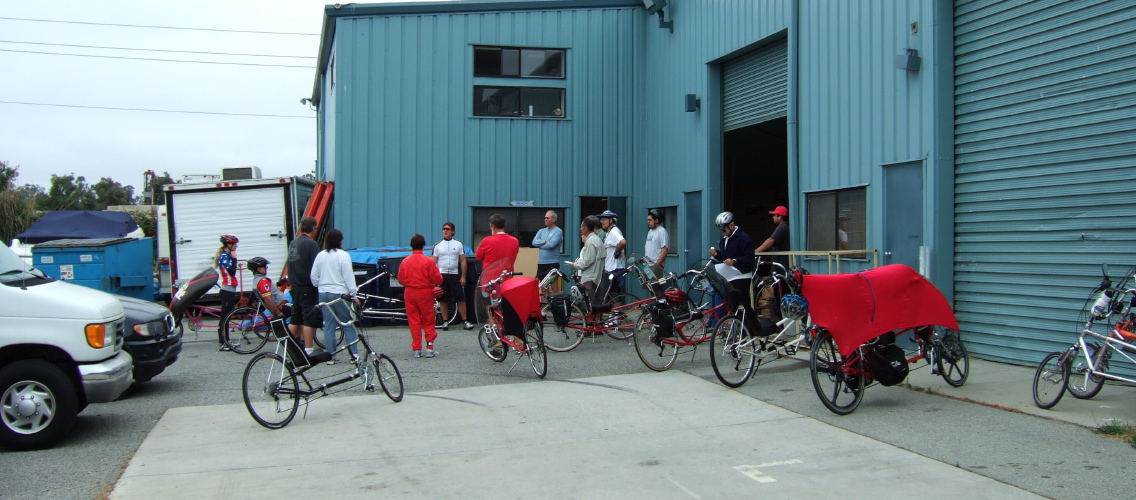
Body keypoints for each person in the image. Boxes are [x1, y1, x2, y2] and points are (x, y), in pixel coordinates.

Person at [311, 229, 360, 364]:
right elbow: (348, 277)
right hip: (339, 294)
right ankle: (353, 354)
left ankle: (330, 356)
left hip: (323, 293)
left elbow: (313, 277)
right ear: (340, 240)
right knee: (347, 323)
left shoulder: (320, 255)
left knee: (329, 325)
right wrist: (353, 294)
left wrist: (320, 285)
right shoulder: (343, 255)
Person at [400, 234, 444, 358]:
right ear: (423, 245)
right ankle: (430, 347)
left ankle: (417, 349)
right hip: (425, 292)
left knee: (414, 320)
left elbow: (401, 280)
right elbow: (438, 279)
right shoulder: (428, 261)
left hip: (410, 292)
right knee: (428, 319)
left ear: (411, 246)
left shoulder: (405, 261)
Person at [288, 216, 323, 355]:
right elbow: (318, 264)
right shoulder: (311, 244)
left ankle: (289, 347)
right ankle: (308, 349)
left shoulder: (293, 243)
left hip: (294, 285)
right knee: (309, 318)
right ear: (314, 229)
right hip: (307, 285)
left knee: (295, 317)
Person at [432, 221, 474, 330]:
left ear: (453, 231)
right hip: (442, 275)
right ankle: (445, 321)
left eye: (448, 229)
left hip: (455, 274)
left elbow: (463, 260)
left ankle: (465, 321)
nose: (445, 231)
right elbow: (433, 262)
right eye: (444, 229)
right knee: (443, 299)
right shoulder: (437, 246)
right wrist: (433, 278)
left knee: (460, 298)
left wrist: (463, 276)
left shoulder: (458, 244)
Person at [569, 216, 604, 306]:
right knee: (594, 304)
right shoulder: (597, 239)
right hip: (595, 277)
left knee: (589, 305)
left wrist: (575, 265)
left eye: (581, 227)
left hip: (590, 278)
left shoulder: (591, 241)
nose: (580, 229)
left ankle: (590, 320)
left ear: (586, 228)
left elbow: (587, 261)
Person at [214, 234, 240, 351]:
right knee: (225, 317)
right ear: (229, 245)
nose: (236, 246)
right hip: (227, 290)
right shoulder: (225, 256)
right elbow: (232, 271)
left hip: (230, 289)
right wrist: (234, 258)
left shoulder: (227, 254)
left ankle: (227, 340)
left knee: (228, 317)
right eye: (235, 244)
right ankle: (223, 342)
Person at [532, 210, 563, 292]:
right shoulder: (541, 231)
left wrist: (540, 243)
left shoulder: (558, 231)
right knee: (543, 287)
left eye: (547, 218)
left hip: (552, 263)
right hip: (542, 263)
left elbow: (551, 245)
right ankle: (545, 304)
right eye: (545, 218)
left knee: (554, 287)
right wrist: (544, 241)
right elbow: (534, 242)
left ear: (554, 219)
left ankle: (556, 304)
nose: (545, 219)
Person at [597, 210, 626, 296]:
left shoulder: (614, 231)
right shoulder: (609, 232)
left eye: (604, 219)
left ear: (611, 220)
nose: (601, 222)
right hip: (610, 268)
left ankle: (617, 309)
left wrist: (617, 252)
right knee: (610, 295)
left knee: (614, 295)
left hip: (615, 268)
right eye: (601, 219)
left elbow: (623, 242)